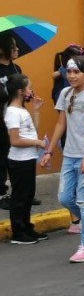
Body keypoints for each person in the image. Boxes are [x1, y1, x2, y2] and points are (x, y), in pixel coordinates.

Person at [41, 56, 84, 262]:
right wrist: (49, 151)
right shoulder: (65, 93)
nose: (71, 76)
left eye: (76, 72)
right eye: (69, 72)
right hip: (69, 155)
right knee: (64, 198)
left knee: (83, 200)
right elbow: (61, 124)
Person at [2, 74, 48, 244]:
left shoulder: (21, 110)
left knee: (28, 195)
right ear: (20, 91)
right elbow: (15, 140)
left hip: (28, 159)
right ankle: (18, 232)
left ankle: (27, 227)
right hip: (19, 161)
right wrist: (37, 142)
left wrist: (36, 110)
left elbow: (32, 130)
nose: (31, 91)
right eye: (29, 88)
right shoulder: (12, 112)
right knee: (20, 197)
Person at [0, 32, 23, 211]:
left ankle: (20, 192)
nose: (16, 49)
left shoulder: (17, 69)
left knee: (16, 157)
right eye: (12, 46)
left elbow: (21, 94)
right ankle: (1, 194)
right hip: (0, 121)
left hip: (15, 120)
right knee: (1, 158)